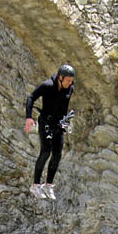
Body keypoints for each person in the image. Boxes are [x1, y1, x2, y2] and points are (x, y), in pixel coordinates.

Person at [24, 64, 75, 201]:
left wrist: (64, 124)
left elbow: (64, 106)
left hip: (58, 123)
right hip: (45, 122)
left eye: (71, 80)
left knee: (58, 153)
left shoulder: (69, 87)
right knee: (46, 151)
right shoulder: (47, 85)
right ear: (60, 77)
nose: (70, 83)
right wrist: (28, 117)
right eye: (68, 80)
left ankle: (48, 185)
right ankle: (35, 186)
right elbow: (31, 98)